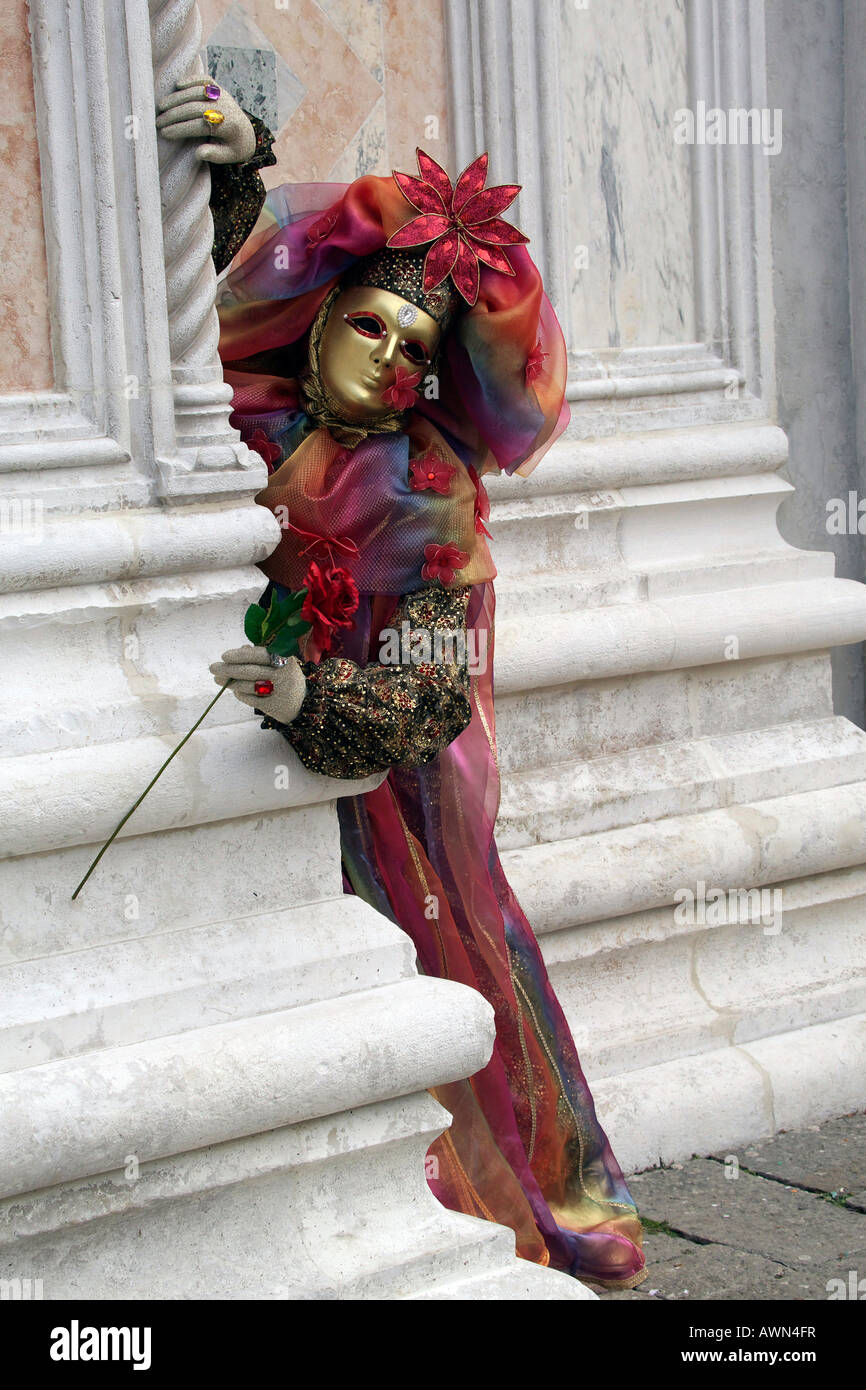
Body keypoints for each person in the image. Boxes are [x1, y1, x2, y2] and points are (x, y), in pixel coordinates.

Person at [157, 79, 648, 1290]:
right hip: (260, 773)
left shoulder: (427, 501)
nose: (386, 364)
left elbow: (429, 688)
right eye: (369, 327)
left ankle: (491, 1203)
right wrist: (233, 168)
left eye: (415, 353)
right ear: (325, 317)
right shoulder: (260, 419)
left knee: (438, 953)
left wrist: (306, 702)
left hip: (393, 795)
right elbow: (221, 304)